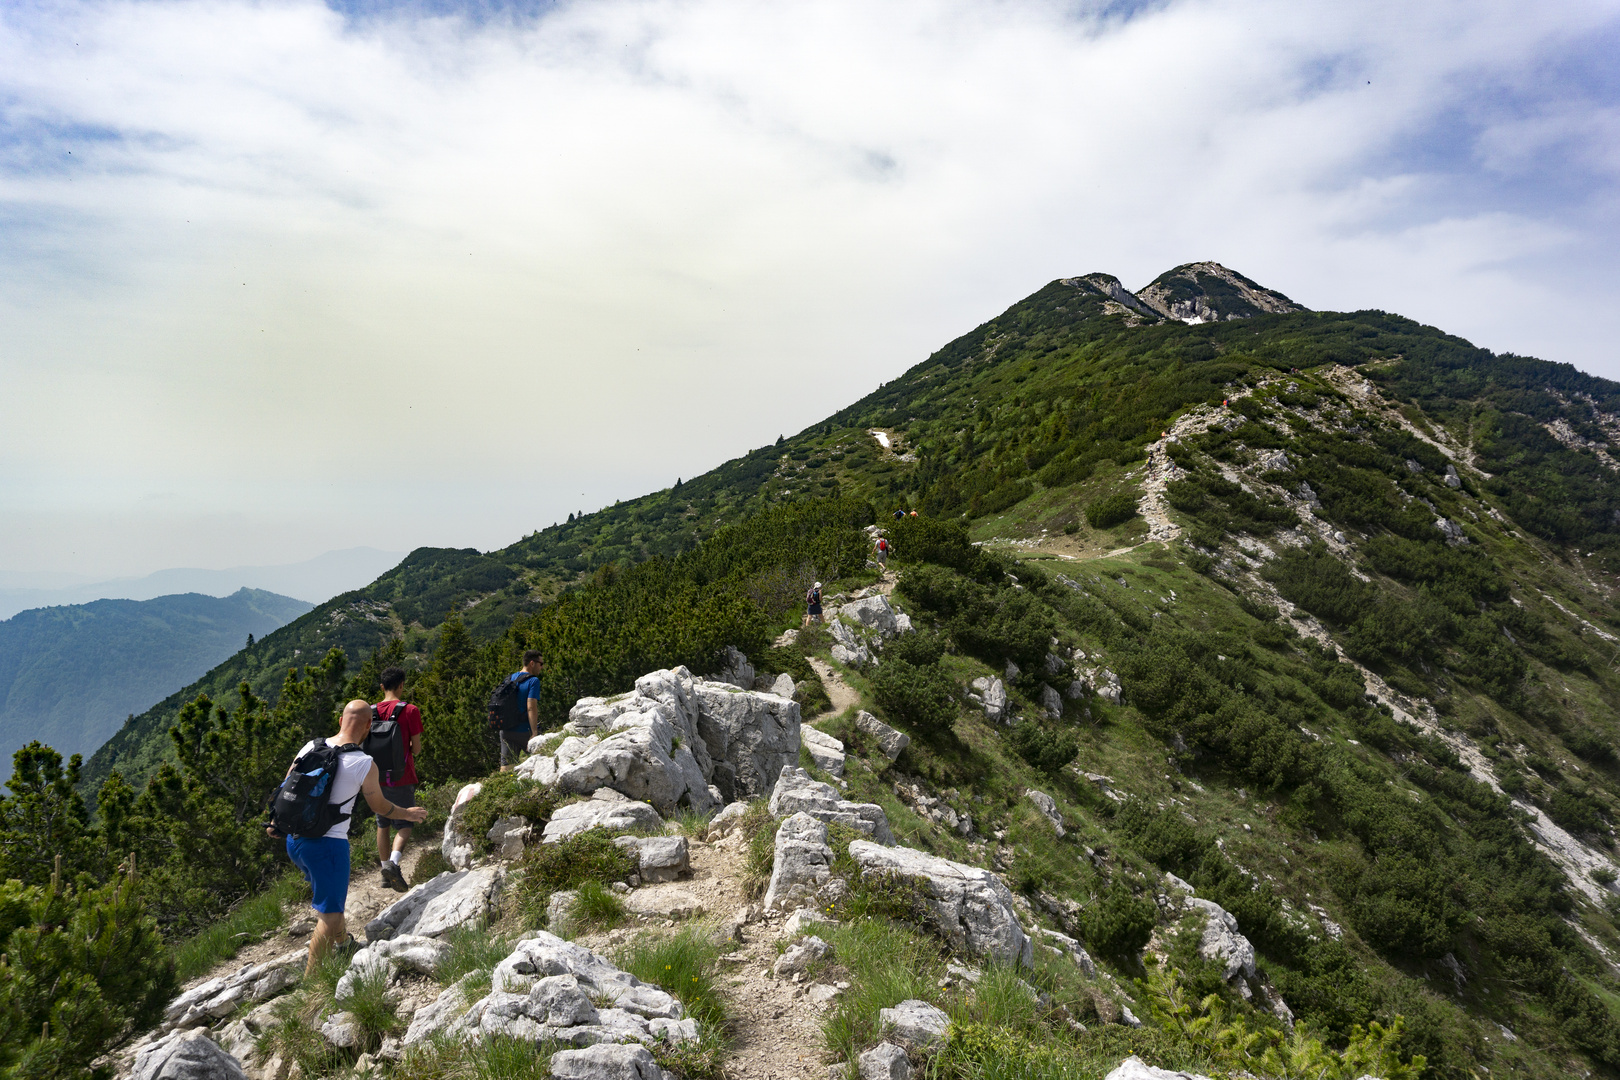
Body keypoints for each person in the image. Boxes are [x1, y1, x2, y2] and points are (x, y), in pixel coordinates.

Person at [277, 700, 428, 975]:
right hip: (328, 845)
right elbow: (380, 807)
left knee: (330, 897)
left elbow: (287, 784)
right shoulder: (364, 763)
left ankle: (344, 944)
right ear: (369, 726)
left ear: (340, 721)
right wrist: (407, 813)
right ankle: (312, 980)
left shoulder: (311, 746)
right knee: (330, 913)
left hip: (295, 842)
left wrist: (278, 822)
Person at [373, 667, 423, 893]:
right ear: (402, 684)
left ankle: (384, 872)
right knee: (405, 822)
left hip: (375, 777)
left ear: (382, 687)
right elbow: (418, 748)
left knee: (382, 822)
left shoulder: (370, 711)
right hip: (402, 775)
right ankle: (393, 863)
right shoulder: (410, 710)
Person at [498, 651, 545, 771]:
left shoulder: (509, 678)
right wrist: (534, 733)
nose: (542, 667)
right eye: (541, 663)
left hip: (506, 729)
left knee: (506, 767)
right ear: (532, 663)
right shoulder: (533, 681)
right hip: (524, 731)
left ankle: (501, 788)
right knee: (543, 759)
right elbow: (531, 707)